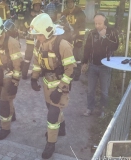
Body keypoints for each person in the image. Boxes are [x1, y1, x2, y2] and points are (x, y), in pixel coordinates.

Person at [29, 13, 76, 159]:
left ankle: (51, 143)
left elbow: (70, 69)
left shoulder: (62, 44)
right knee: (50, 108)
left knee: (52, 114)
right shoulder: (39, 43)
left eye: (39, 35)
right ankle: (61, 128)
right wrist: (33, 78)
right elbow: (37, 63)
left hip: (60, 84)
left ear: (48, 31)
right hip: (47, 83)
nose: (37, 38)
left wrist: (60, 89)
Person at [81, 13, 119, 117]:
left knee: (104, 91)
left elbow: (115, 46)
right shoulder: (92, 33)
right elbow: (87, 49)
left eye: (100, 23)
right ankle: (90, 108)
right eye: (96, 23)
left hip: (105, 66)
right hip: (93, 65)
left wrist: (105, 37)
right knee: (90, 90)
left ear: (105, 22)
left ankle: (103, 110)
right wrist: (84, 62)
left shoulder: (112, 32)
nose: (97, 26)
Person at [61, 0, 86, 81]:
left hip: (77, 38)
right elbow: (61, 25)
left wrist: (80, 39)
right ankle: (69, 72)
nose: (70, 3)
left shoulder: (80, 12)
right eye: (68, 2)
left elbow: (82, 27)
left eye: (71, 2)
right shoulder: (64, 12)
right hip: (66, 38)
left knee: (76, 56)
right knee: (67, 57)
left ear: (74, 3)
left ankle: (77, 73)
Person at [21, 0, 43, 79]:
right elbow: (26, 24)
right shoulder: (28, 14)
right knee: (28, 56)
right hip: (30, 38)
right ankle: (24, 73)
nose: (37, 7)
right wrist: (32, 18)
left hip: (40, 38)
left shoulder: (42, 14)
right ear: (33, 6)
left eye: (38, 5)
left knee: (40, 56)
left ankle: (39, 72)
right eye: (35, 5)